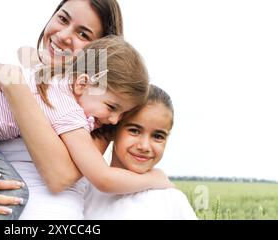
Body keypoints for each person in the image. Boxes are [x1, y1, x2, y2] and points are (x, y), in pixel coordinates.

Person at [0, 0, 172, 220]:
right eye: (62, 19)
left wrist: (15, 86)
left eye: (83, 33)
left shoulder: (95, 119)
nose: (62, 35)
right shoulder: (24, 83)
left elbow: (59, 177)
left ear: (100, 52)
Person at [83, 84, 198, 220]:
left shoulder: (172, 201)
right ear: (113, 129)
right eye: (134, 130)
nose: (144, 146)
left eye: (158, 136)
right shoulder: (83, 190)